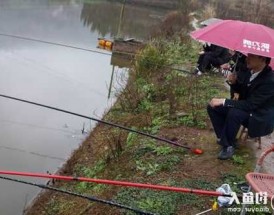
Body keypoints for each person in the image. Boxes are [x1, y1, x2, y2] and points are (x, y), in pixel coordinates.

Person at [207, 54, 274, 160]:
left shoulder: (270, 80)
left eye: (251, 56)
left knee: (235, 112)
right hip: (248, 110)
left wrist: (224, 101)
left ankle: (228, 146)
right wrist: (234, 83)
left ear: (263, 59)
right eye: (248, 55)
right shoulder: (250, 72)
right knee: (213, 107)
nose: (247, 59)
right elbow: (244, 94)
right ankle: (224, 137)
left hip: (259, 116)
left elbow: (250, 104)